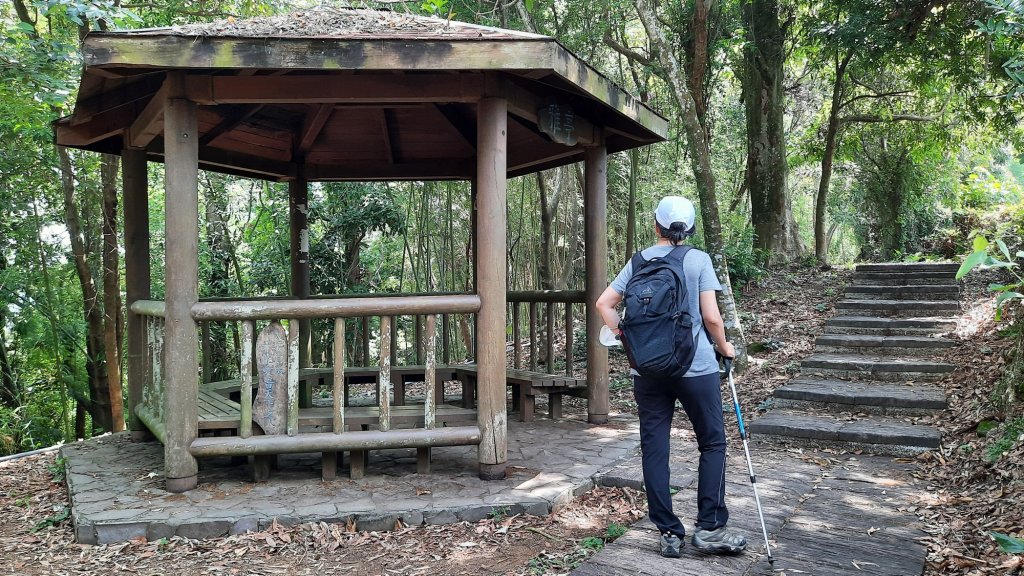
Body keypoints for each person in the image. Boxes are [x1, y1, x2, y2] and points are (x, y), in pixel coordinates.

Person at [595, 195, 747, 558]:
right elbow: (711, 318)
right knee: (712, 443)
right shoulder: (698, 260)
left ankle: (668, 531)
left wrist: (626, 338)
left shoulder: (638, 262)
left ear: (656, 225)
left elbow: (604, 303)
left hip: (646, 370)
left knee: (655, 448)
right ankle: (709, 528)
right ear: (690, 228)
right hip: (695, 368)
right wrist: (725, 348)